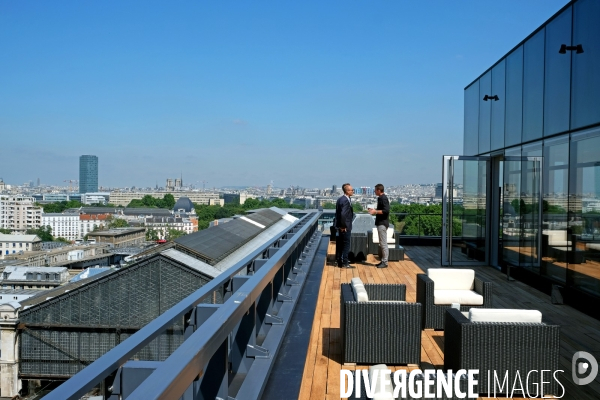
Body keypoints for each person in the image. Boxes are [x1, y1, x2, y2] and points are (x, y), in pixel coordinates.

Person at [368, 183, 390, 268]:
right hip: (382, 223)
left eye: (375, 190)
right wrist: (375, 211)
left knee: (383, 243)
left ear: (379, 190)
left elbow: (386, 210)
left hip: (382, 223)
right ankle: (383, 261)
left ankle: (385, 262)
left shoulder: (383, 198)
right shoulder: (381, 198)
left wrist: (375, 212)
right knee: (382, 243)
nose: (374, 191)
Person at [335, 183, 355, 268]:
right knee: (346, 244)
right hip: (345, 226)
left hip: (340, 225)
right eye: (351, 190)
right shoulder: (345, 200)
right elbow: (343, 214)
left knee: (340, 244)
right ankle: (345, 262)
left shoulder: (340, 199)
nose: (353, 191)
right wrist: (343, 226)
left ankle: (339, 261)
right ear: (347, 191)